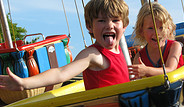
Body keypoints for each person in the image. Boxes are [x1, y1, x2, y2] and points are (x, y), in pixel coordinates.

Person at [0, 0, 130, 91]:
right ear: (89, 26)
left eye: (115, 20)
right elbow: (61, 73)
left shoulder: (121, 51)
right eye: (101, 21)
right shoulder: (93, 55)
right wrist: (24, 83)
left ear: (124, 26)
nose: (109, 25)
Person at [128, 2, 184, 80]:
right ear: (141, 31)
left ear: (169, 29)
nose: (156, 33)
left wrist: (146, 71)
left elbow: (170, 70)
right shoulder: (139, 57)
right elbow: (136, 82)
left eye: (161, 27)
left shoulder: (175, 46)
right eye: (150, 28)